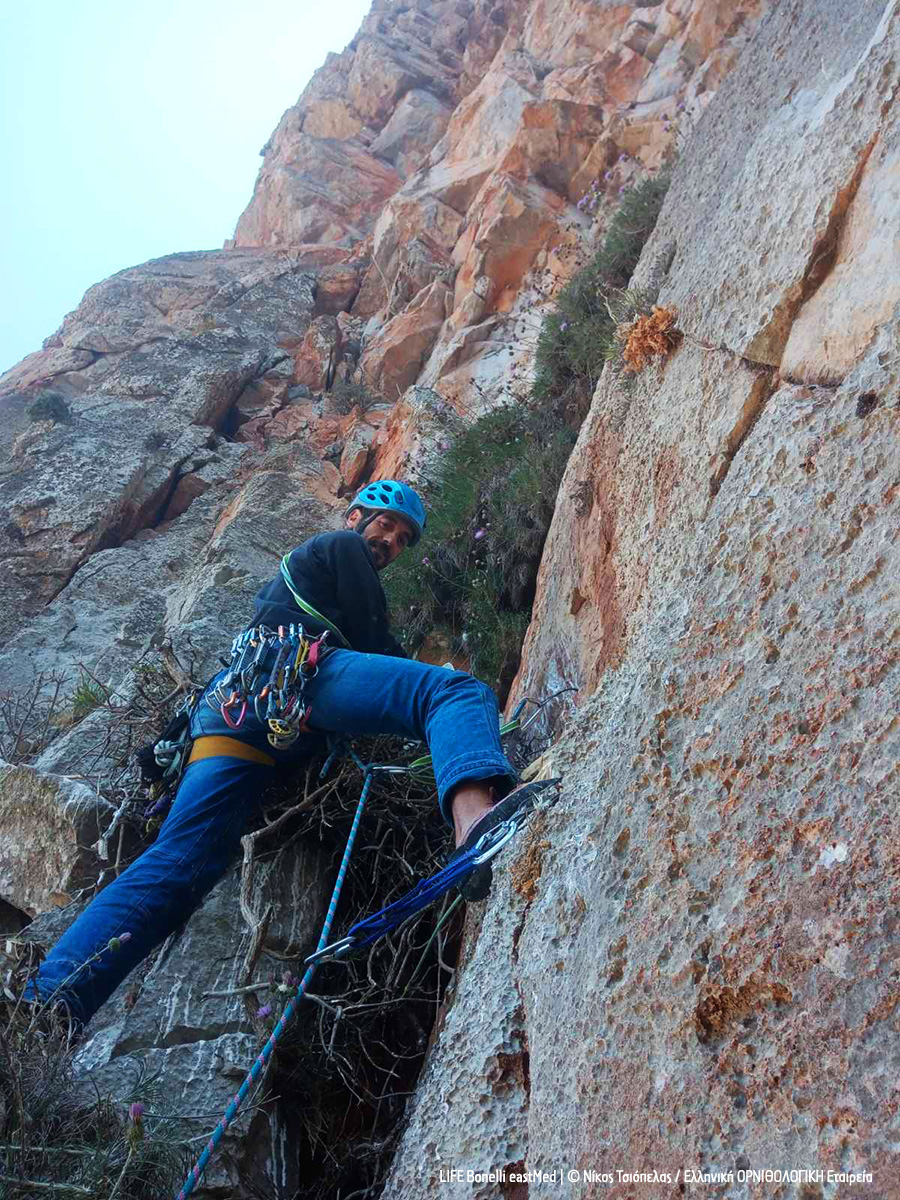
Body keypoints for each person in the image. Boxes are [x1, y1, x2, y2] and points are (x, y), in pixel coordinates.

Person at [23, 480, 548, 1032]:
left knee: (177, 864)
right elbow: (374, 642)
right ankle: (475, 826)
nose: (390, 541)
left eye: (402, 539)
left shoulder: (305, 578)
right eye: (385, 524)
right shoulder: (340, 546)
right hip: (297, 675)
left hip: (231, 711)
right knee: (455, 693)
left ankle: (49, 1005)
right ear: (355, 516)